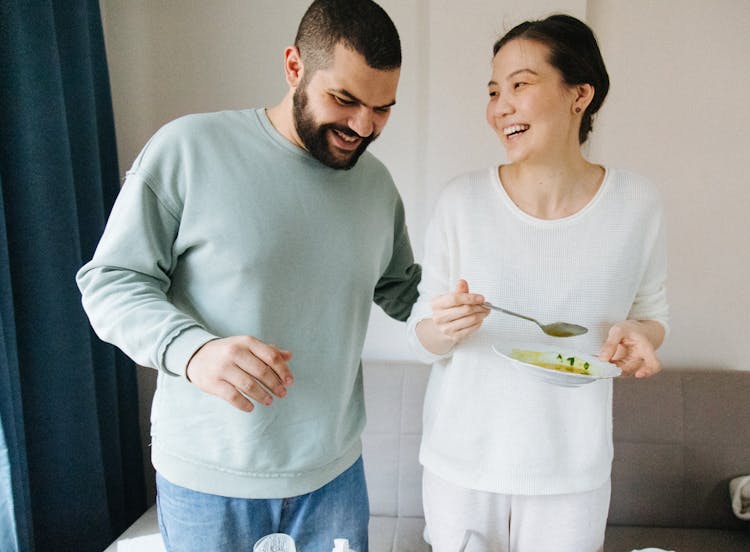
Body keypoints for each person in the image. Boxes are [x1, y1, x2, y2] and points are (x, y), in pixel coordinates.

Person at [76, 1, 421, 550]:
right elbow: (111, 280)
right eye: (345, 99)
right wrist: (193, 351)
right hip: (207, 478)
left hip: (334, 478)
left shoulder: (376, 186)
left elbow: (406, 292)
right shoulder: (188, 148)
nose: (364, 126)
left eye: (382, 108)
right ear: (293, 67)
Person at [406, 14, 668, 552]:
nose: (500, 106)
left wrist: (642, 337)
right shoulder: (462, 202)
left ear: (580, 94)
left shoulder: (637, 204)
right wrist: (445, 327)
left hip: (572, 471)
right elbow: (422, 334)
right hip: (462, 465)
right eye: (494, 90)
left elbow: (652, 313)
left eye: (520, 84)